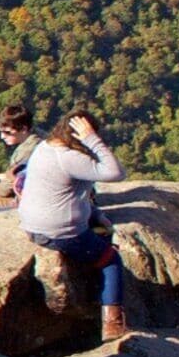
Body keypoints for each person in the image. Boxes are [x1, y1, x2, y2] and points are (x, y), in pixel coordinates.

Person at [10, 102, 131, 344]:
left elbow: (68, 193)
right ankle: (112, 323)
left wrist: (93, 213)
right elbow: (116, 173)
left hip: (32, 223)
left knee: (99, 236)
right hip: (59, 232)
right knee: (111, 259)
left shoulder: (45, 147)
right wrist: (92, 139)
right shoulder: (69, 157)